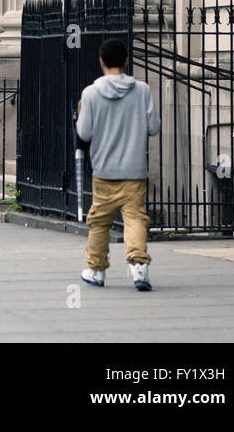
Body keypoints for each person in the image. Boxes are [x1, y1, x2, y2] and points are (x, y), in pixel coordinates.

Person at [77, 38, 161, 291]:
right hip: (134, 170)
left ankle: (96, 269)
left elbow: (85, 133)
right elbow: (154, 127)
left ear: (101, 61)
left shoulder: (90, 94)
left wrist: (81, 113)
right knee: (136, 219)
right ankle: (139, 266)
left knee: (99, 222)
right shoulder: (142, 90)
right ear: (126, 61)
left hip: (104, 171)